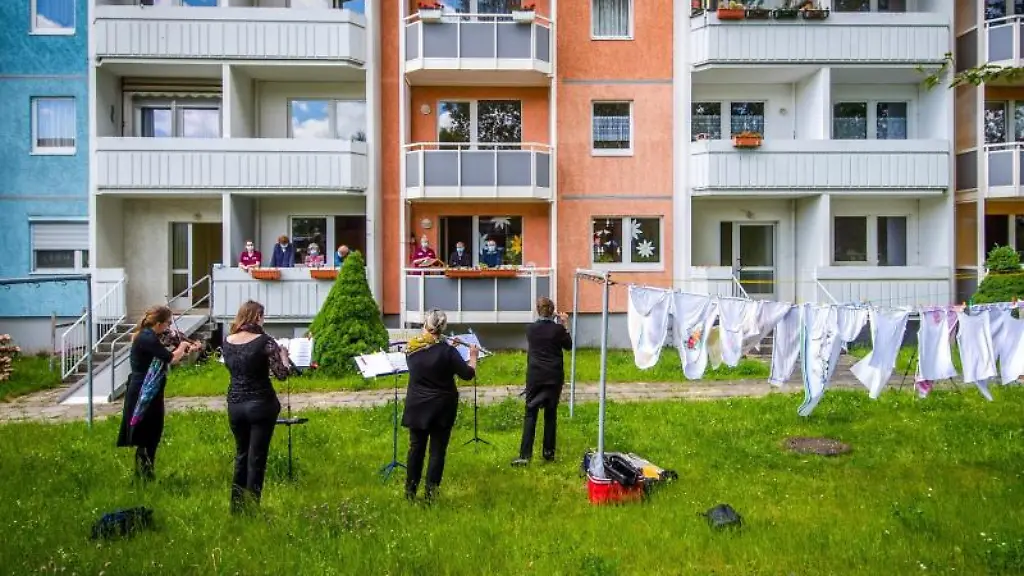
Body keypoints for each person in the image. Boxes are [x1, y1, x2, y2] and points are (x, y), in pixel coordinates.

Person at [221, 300, 290, 513]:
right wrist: (284, 357)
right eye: (263, 316)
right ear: (257, 317)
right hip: (261, 403)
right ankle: (252, 506)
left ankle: (236, 505)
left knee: (241, 454)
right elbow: (282, 374)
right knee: (257, 456)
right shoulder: (265, 342)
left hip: (235, 403)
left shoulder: (227, 341)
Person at [403, 309, 478, 502]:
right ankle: (431, 495)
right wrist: (473, 356)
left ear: (425, 325)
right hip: (441, 408)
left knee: (415, 449)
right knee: (437, 451)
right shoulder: (448, 352)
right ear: (442, 327)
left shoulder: (411, 349)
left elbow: (429, 357)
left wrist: (446, 346)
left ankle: (410, 493)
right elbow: (468, 374)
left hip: (417, 405)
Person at [116, 305, 197, 481]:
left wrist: (186, 346)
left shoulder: (150, 336)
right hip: (143, 390)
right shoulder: (147, 338)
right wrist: (183, 345)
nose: (169, 328)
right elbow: (171, 358)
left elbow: (167, 348)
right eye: (168, 323)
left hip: (149, 388)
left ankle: (145, 474)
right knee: (147, 432)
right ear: (159, 323)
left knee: (152, 431)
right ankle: (144, 476)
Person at [512, 297, 572, 467]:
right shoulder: (558, 330)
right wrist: (564, 324)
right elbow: (568, 345)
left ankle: (525, 455)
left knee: (530, 413)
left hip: (535, 377)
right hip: (554, 376)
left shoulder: (530, 329)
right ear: (552, 311)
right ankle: (548, 453)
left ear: (538, 310)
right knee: (550, 415)